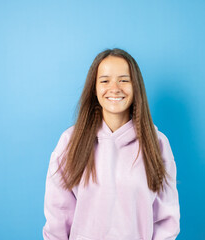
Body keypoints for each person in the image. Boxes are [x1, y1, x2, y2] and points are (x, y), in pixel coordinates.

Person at [43, 48, 180, 240]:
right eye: (105, 80)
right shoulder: (70, 142)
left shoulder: (157, 143)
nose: (114, 88)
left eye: (124, 80)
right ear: (94, 88)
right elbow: (58, 215)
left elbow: (167, 220)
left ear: (136, 87)